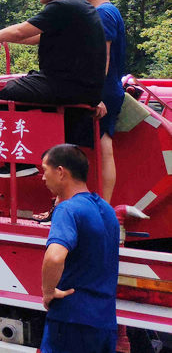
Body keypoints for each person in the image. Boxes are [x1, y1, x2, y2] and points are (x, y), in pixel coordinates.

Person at [0, 0, 106, 147]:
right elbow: (33, 36)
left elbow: (21, 31)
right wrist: (0, 39)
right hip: (83, 88)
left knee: (6, 95)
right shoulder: (79, 6)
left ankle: (16, 161)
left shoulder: (63, 7)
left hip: (66, 85)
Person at [39, 144, 119, 353]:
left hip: (71, 320)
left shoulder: (68, 209)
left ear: (60, 172)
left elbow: (55, 257)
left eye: (45, 170)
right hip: (105, 321)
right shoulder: (107, 211)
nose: (43, 178)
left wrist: (48, 291)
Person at [77, 0, 126, 201]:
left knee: (105, 147)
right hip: (110, 87)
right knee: (102, 144)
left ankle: (104, 205)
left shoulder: (103, 14)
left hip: (103, 89)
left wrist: (95, 94)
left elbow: (102, 57)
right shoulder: (111, 12)